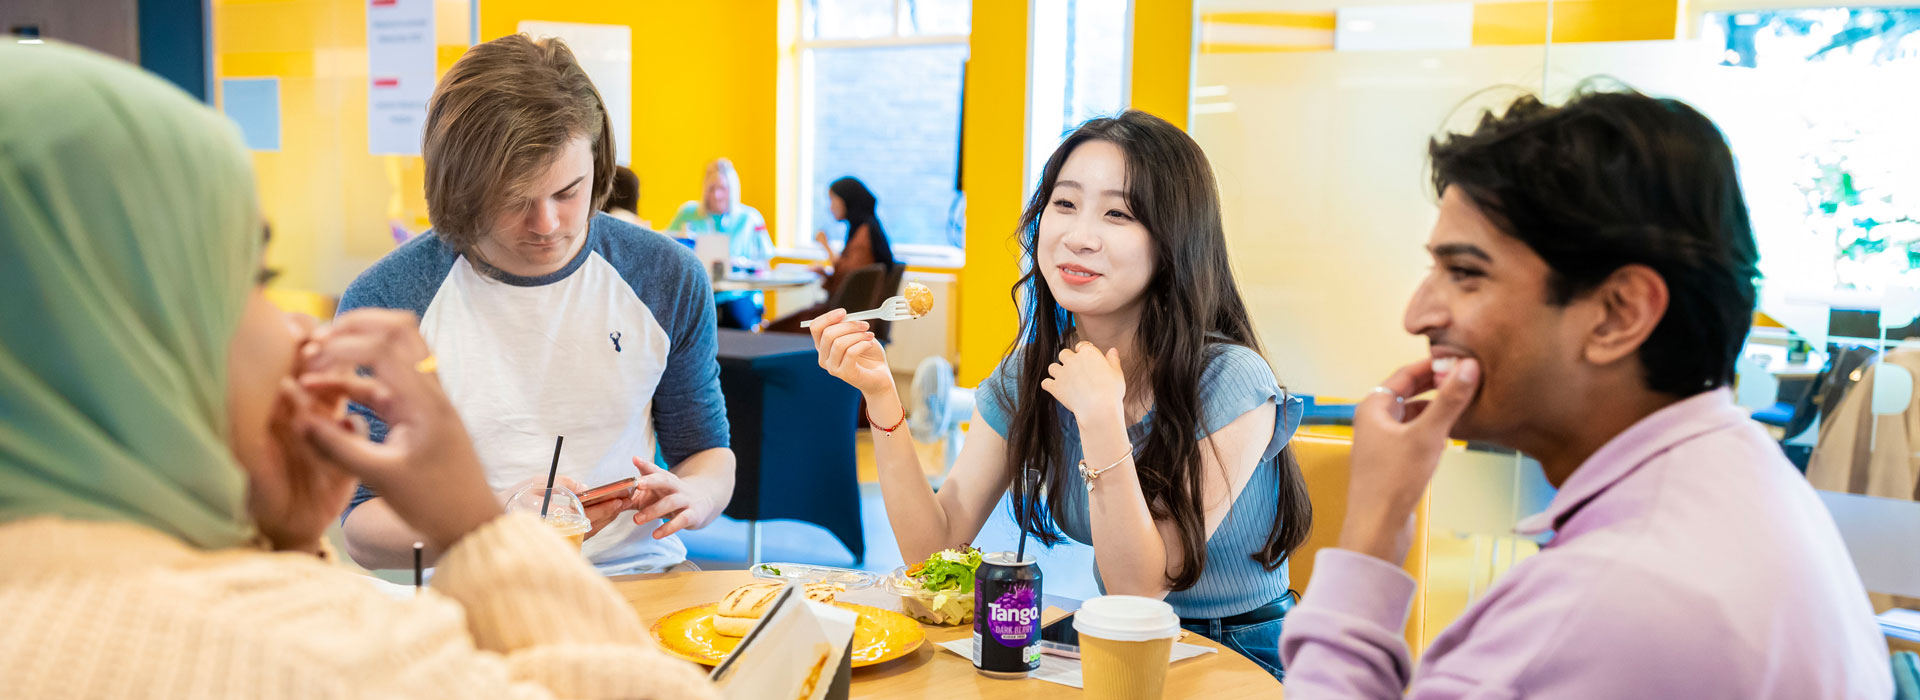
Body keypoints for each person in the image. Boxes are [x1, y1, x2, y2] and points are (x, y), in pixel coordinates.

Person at [0, 41, 715, 699]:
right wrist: (478, 528)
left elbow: (704, 447)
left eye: (568, 192)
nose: (297, 329)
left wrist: (281, 544)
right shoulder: (315, 654)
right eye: (253, 277)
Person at [1278, 87, 1893, 698]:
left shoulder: (1604, 600)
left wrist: (1373, 531)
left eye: (1465, 273)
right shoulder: (1744, 476)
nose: (1417, 315)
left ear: (1618, 314)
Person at [808, 110, 1312, 679]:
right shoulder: (1031, 372)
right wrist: (881, 397)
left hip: (1236, 654)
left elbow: (1139, 589)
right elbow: (933, 547)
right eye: (1065, 204)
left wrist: (1100, 418)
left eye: (1118, 213)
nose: (1079, 236)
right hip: (1109, 643)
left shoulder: (1230, 379)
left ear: (1175, 241)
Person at [336, 34, 735, 576]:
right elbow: (362, 524)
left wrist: (698, 497)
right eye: (515, 201)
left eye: (568, 193)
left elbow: (708, 455)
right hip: (473, 587)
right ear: (461, 189)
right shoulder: (390, 301)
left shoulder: (665, 276)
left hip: (636, 575)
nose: (547, 225)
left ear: (598, 165)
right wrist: (491, 523)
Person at [765, 176, 898, 333]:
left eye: (832, 200)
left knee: (774, 329)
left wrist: (825, 245)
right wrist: (825, 273)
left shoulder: (863, 234)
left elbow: (850, 277)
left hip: (843, 319)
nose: (830, 207)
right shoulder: (866, 229)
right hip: (847, 316)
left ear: (846, 201)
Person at [667, 158, 772, 329]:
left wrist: (741, 264)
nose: (716, 195)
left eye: (722, 188)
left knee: (731, 317)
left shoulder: (749, 218)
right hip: (699, 293)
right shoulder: (688, 213)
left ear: (732, 190)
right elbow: (668, 246)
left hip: (738, 294)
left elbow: (764, 264)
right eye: (711, 189)